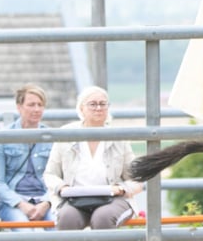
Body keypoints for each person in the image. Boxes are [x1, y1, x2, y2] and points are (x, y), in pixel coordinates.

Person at [43, 86, 144, 230]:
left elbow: (136, 179)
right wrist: (62, 187)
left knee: (102, 218)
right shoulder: (66, 134)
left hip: (112, 200)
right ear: (81, 108)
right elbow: (50, 174)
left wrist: (121, 189)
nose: (98, 108)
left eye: (103, 104)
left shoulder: (118, 137)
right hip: (74, 199)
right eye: (93, 104)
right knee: (67, 218)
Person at [0, 84, 54, 229]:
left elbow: (59, 177)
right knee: (23, 229)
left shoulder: (52, 137)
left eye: (40, 105)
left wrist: (46, 202)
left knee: (58, 228)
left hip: (45, 198)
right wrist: (21, 204)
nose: (36, 109)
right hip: (13, 201)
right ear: (19, 107)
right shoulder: (3, 138)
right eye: (31, 105)